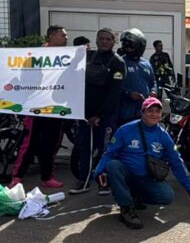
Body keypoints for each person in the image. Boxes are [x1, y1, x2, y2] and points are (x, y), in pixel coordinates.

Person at [95, 96, 190, 229]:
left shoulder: (164, 136)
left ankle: (135, 197)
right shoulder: (125, 130)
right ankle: (126, 209)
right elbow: (109, 153)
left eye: (157, 111)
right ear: (142, 112)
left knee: (167, 197)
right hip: (126, 175)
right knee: (113, 166)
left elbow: (177, 162)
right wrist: (98, 172)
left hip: (148, 178)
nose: (154, 114)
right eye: (150, 111)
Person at [9, 25, 70, 190]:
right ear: (51, 37)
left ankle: (47, 177)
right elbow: (25, 78)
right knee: (29, 143)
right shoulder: (36, 55)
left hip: (55, 106)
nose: (67, 38)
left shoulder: (66, 56)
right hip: (35, 106)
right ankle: (17, 177)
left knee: (51, 144)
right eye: (63, 35)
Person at [69, 28, 124, 195]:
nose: (105, 42)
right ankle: (83, 180)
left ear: (114, 42)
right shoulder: (88, 57)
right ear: (96, 40)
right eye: (102, 39)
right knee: (84, 146)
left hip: (106, 116)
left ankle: (103, 182)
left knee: (105, 149)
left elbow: (114, 93)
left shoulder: (118, 63)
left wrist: (98, 115)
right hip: (85, 114)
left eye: (109, 39)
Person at [117, 28, 156, 123]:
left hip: (144, 112)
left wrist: (153, 92)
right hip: (125, 113)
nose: (127, 48)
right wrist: (129, 93)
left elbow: (153, 82)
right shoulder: (120, 63)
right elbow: (114, 86)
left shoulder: (146, 64)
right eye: (125, 45)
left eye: (130, 45)